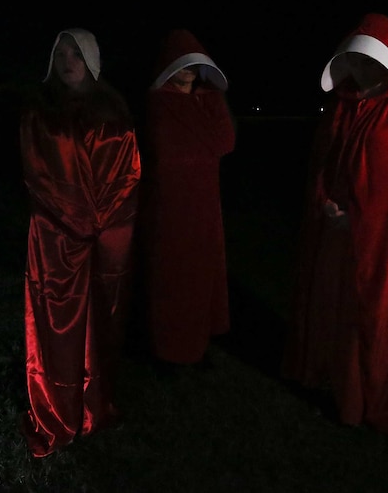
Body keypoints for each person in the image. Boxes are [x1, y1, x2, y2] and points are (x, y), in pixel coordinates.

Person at [281, 13, 388, 436]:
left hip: (373, 237)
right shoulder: (343, 104)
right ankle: (321, 378)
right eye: (357, 60)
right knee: (327, 305)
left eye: (370, 61)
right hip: (333, 228)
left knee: (359, 315)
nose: (362, 69)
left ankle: (356, 399)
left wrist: (356, 215)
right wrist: (324, 203)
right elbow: (323, 163)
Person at [17, 28, 141, 457]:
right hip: (56, 238)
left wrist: (101, 222)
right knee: (58, 325)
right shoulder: (39, 111)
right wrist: (75, 220)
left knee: (101, 320)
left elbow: (127, 173)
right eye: (61, 53)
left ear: (92, 59)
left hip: (106, 237)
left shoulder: (113, 110)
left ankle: (93, 404)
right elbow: (39, 175)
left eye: (77, 53)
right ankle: (57, 409)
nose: (68, 61)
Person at [137, 28, 235, 371]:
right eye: (181, 65)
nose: (188, 72)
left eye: (194, 66)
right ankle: (166, 349)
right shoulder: (158, 104)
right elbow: (164, 150)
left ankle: (196, 344)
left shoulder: (205, 101)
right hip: (168, 207)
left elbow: (225, 141)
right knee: (170, 279)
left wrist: (209, 98)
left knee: (199, 277)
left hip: (203, 206)